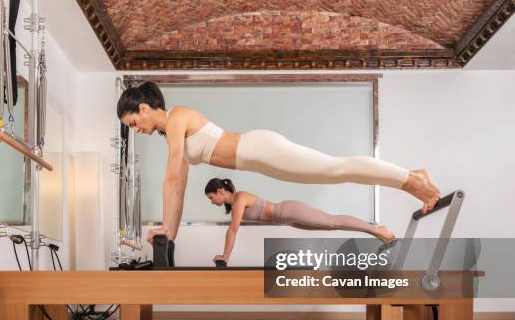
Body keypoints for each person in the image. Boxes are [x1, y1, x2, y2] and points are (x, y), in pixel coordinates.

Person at [117, 82, 441, 244]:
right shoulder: (172, 131)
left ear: (144, 108)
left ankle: (411, 179)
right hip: (259, 159)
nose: (138, 130)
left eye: (133, 123)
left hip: (259, 149)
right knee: (333, 173)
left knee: (335, 168)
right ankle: (411, 175)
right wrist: (169, 231)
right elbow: (180, 183)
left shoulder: (177, 117)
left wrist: (167, 228)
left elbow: (172, 178)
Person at [205, 178, 395, 264]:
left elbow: (233, 230)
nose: (212, 203)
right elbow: (234, 227)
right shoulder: (236, 206)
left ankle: (376, 229)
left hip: (289, 210)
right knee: (330, 227)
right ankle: (376, 232)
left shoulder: (240, 198)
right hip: (288, 219)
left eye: (211, 198)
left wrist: (225, 257)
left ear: (220, 191)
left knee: (332, 222)